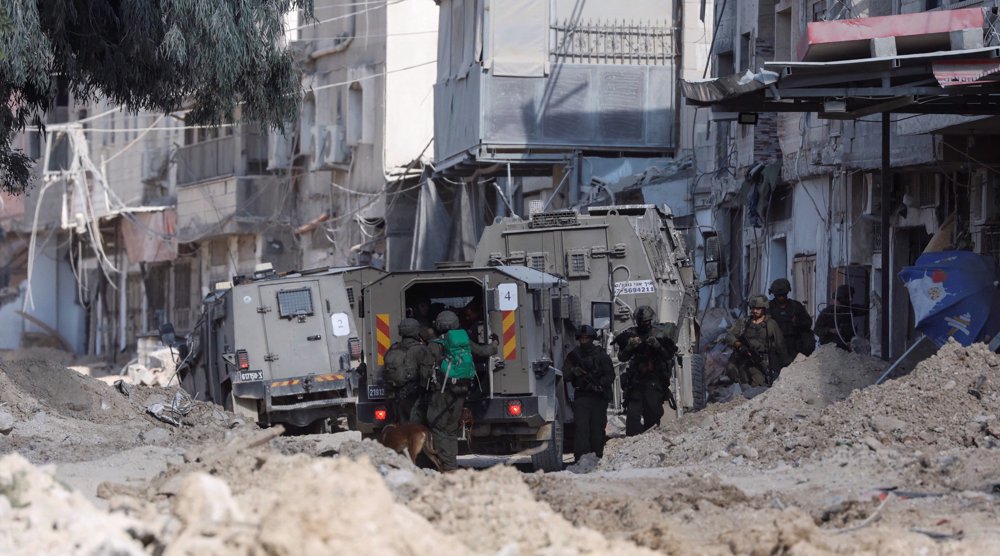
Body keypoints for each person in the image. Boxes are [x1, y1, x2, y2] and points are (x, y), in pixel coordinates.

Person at [424, 310, 498, 472]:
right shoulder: (463, 341)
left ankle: (449, 466)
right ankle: (452, 463)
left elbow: (425, 369)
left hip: (442, 392)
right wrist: (494, 344)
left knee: (438, 427)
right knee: (451, 428)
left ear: (438, 325)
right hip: (462, 390)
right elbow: (484, 352)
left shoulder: (435, 344)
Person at [614, 305, 678, 437]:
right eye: (641, 322)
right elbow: (622, 357)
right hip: (636, 381)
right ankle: (633, 441)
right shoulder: (631, 334)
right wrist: (630, 347)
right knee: (632, 414)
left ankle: (651, 439)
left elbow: (668, 355)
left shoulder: (660, 333)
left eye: (646, 322)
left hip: (654, 380)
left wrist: (657, 346)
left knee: (653, 413)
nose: (644, 324)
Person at [563, 324, 615, 462]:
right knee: (581, 428)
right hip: (582, 396)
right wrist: (574, 372)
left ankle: (597, 455)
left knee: (597, 428)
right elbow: (565, 374)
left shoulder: (601, 355)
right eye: (582, 338)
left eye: (587, 338)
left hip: (598, 397)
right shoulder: (574, 356)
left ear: (592, 339)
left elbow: (610, 375)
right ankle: (580, 458)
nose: (584, 340)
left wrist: (599, 385)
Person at [723, 295, 788, 387]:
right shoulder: (744, 323)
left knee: (758, 383)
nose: (755, 311)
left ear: (764, 308)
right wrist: (739, 345)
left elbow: (780, 345)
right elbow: (729, 336)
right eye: (753, 308)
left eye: (758, 308)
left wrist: (786, 366)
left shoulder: (771, 324)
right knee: (731, 369)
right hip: (742, 359)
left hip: (758, 361)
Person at [382, 318, 436, 424]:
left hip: (397, 393)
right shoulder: (421, 349)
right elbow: (427, 374)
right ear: (416, 330)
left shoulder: (393, 348)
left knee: (402, 423)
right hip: (415, 394)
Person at [767, 278, 815, 360]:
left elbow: (808, 323)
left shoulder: (796, 306)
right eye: (779, 295)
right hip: (775, 345)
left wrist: (797, 322)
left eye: (783, 295)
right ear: (774, 295)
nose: (781, 298)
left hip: (794, 344)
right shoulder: (769, 307)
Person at [815, 284, 870, 350]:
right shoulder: (827, 312)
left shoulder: (848, 309)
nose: (851, 299)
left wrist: (872, 299)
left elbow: (865, 310)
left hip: (845, 348)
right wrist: (830, 330)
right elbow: (816, 330)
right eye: (848, 297)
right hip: (830, 348)